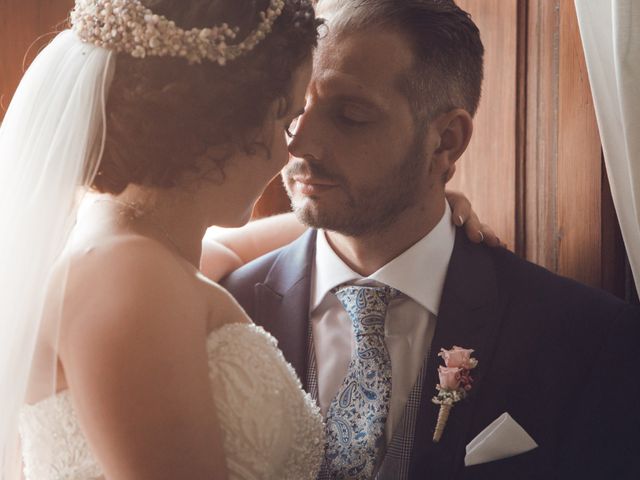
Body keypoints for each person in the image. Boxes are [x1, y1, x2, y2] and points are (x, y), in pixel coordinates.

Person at [0, 0, 488, 478]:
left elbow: (236, 248)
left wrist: (418, 202)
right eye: (287, 118)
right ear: (226, 120)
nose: (293, 146)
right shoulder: (131, 275)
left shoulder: (139, 249)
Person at [222, 1, 640, 479]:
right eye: (294, 109)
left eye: (351, 116)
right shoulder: (219, 308)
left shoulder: (587, 338)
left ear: (445, 141)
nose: (298, 143)